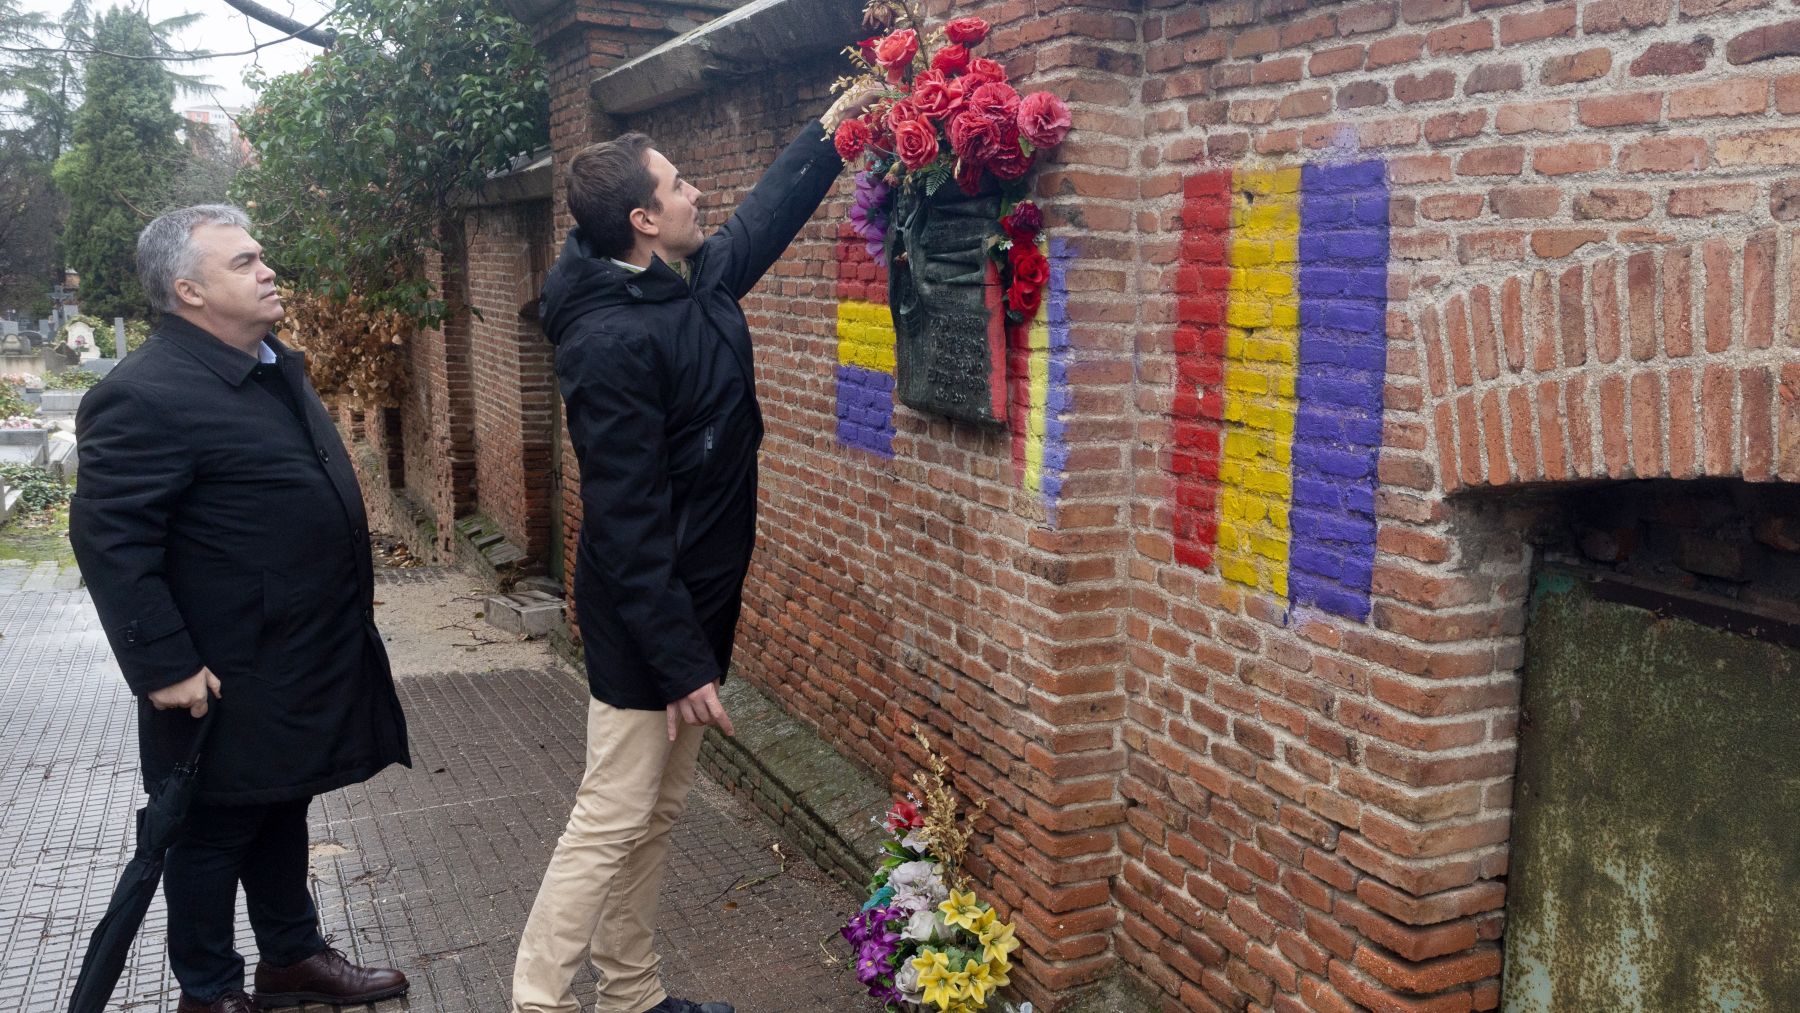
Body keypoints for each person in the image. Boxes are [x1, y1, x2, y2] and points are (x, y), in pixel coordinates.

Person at [513, 87, 878, 1013]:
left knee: (655, 814)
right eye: (677, 186)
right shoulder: (607, 341)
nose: (696, 195)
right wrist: (679, 661)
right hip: (647, 623)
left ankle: (631, 995)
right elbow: (627, 524)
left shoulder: (690, 281)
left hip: (695, 604)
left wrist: (835, 130)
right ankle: (536, 1000)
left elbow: (762, 219)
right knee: (610, 816)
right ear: (642, 220)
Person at [70, 204, 412, 1013]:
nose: (267, 270)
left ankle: (291, 955)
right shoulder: (144, 393)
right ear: (188, 289)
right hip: (218, 668)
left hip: (293, 652)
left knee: (279, 802)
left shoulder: (263, 365)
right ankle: (209, 987)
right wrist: (164, 664)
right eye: (244, 261)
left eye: (262, 256)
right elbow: (111, 541)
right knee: (212, 826)